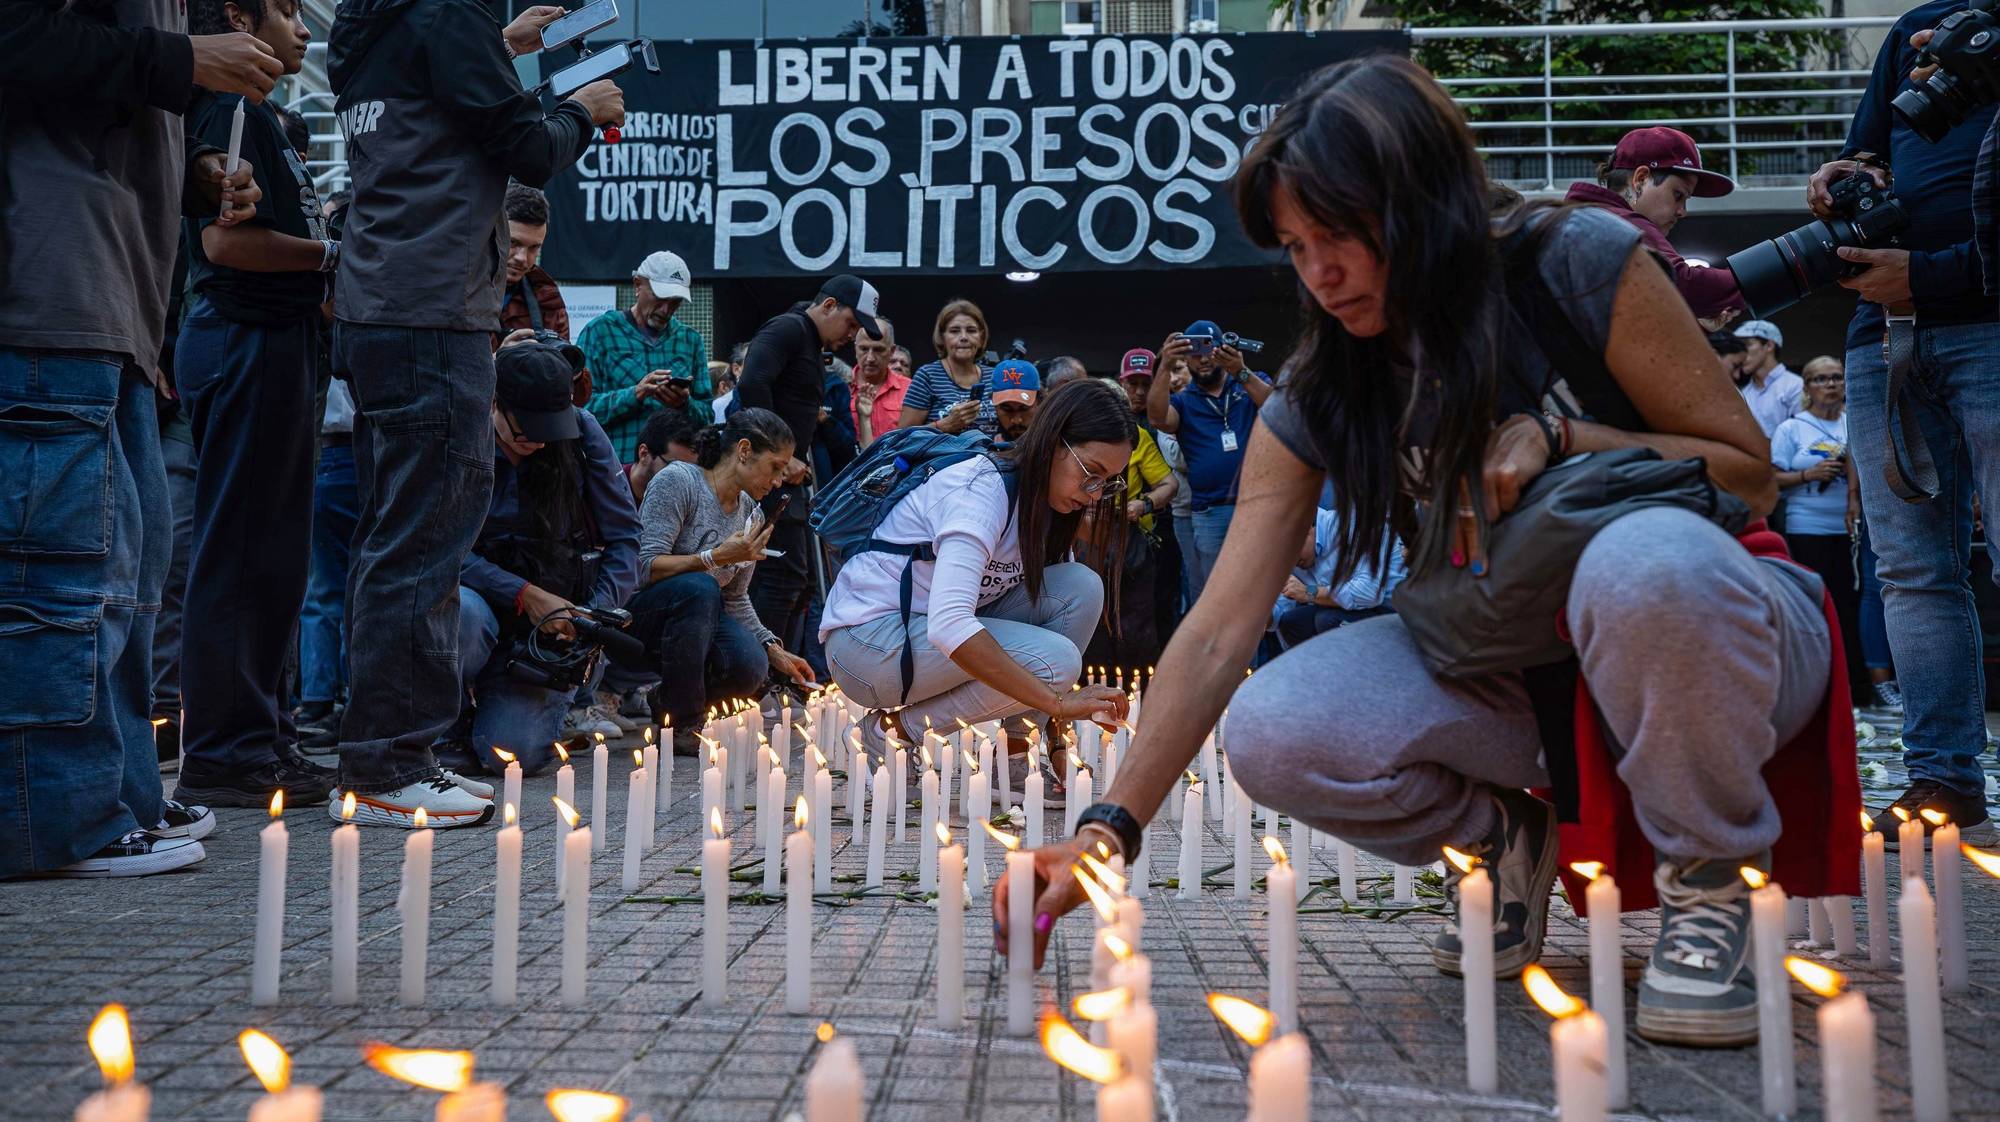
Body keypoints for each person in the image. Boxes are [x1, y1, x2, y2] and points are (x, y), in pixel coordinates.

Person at [1000, 55, 1854, 1050]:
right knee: (1275, 727)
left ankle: (1710, 880)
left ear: (1422, 204)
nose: (1317, 275)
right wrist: (1109, 829)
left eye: (1340, 236)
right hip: (1511, 657)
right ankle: (1504, 846)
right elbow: (1217, 630)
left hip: (1711, 629)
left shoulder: (1573, 262)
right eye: (1294, 246)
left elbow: (1743, 472)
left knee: (1641, 565)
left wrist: (1562, 436)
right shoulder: (1329, 384)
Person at [0, 0, 282, 877]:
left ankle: (120, 791)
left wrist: (199, 171)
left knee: (129, 577)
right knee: (62, 577)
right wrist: (181, 58)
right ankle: (56, 818)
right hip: (49, 287)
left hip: (118, 308)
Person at [326, 0, 623, 826]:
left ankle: (381, 754)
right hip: (432, 306)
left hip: (383, 300)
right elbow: (524, 146)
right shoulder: (445, 11)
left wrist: (501, 47)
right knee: (425, 536)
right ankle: (389, 764)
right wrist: (582, 109)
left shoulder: (377, 24)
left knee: (394, 533)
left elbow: (428, 107)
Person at [1828, 2, 2000, 844]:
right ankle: (1942, 780)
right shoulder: (1922, 27)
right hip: (1883, 333)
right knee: (1911, 571)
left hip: (1985, 322)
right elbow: (1871, 147)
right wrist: (1842, 179)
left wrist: (1925, 276)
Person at [171, 0, 341, 809]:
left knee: (274, 556)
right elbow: (225, 241)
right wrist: (338, 257)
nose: (302, 28)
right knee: (242, 550)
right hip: (245, 335)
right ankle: (225, 750)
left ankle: (261, 735)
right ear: (237, 15)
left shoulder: (263, 114)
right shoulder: (229, 105)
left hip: (276, 340)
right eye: (282, 10)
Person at [821, 378, 1134, 759]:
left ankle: (1018, 749)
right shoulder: (981, 490)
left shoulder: (1048, 506)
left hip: (919, 639)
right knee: (1057, 662)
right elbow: (950, 624)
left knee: (1081, 587)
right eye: (1091, 472)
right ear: (1054, 443)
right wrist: (1058, 703)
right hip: (866, 646)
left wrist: (1054, 734)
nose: (1096, 494)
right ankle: (895, 732)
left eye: (1107, 483)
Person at [429, 342, 641, 788]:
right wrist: (524, 594)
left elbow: (625, 539)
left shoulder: (582, 434)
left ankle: (520, 707)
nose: (538, 440)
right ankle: (448, 718)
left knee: (513, 756)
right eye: (524, 429)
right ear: (493, 403)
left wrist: (589, 615)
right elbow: (442, 548)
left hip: (549, 629)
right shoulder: (459, 433)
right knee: (461, 614)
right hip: (479, 603)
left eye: (549, 428)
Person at [631, 409, 815, 754]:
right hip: (644, 618)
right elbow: (641, 568)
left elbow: (735, 598)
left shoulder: (752, 513)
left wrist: (772, 648)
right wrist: (713, 558)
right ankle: (685, 723)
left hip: (701, 619)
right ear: (744, 450)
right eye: (775, 467)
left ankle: (669, 697)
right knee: (699, 587)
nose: (778, 481)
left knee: (752, 664)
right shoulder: (680, 481)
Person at [738, 274, 884, 678]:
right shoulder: (788, 327)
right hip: (767, 476)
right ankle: (759, 679)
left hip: (787, 477)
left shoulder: (808, 342)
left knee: (796, 579)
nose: (851, 336)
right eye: (852, 324)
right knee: (779, 577)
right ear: (830, 305)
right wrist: (778, 458)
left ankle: (774, 676)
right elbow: (751, 384)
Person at [1564, 126, 1745, 326]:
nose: (1682, 211)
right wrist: (1781, 267)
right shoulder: (1617, 221)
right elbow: (1684, 284)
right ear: (1641, 179)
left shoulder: (1584, 217)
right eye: (1678, 195)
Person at [1145, 319, 1273, 600]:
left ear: (1222, 349)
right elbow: (1157, 418)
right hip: (1209, 511)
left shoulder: (1248, 383)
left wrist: (1240, 371)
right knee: (1216, 594)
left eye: (1209, 350)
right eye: (1194, 353)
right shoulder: (1184, 400)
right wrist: (1165, 366)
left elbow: (1278, 409)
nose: (1203, 359)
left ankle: (1257, 645)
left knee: (1258, 590)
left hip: (1254, 504)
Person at [1771, 356, 1866, 698]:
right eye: (1820, 379)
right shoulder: (1792, 428)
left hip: (1850, 528)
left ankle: (1853, 683)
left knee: (1849, 606)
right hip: (1806, 526)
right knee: (1813, 604)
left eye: (1837, 378)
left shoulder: (1853, 423)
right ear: (1807, 388)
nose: (1830, 385)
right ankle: (1812, 682)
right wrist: (1807, 475)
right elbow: (1769, 478)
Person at [577, 250, 711, 463]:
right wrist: (635, 394)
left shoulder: (690, 340)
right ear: (638, 285)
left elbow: (707, 417)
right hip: (615, 470)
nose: (666, 309)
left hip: (675, 472)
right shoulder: (600, 332)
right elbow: (579, 408)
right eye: (660, 298)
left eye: (675, 301)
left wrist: (684, 404)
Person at [297, 376, 360, 750]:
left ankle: (317, 699)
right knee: (348, 583)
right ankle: (333, 697)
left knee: (323, 587)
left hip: (326, 444)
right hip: (338, 445)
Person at [1118, 347, 1188, 642]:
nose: (1139, 391)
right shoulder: (1113, 424)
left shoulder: (1170, 418)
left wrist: (1147, 504)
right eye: (1132, 384)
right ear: (1121, 384)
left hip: (1169, 522)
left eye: (1146, 384)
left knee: (1163, 602)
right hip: (1121, 534)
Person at [1273, 507, 1406, 650]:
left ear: (1306, 530)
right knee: (1291, 623)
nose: (1290, 562)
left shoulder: (1349, 525)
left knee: (1327, 620)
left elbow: (1369, 593)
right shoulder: (1290, 554)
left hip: (1397, 609)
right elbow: (1281, 609)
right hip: (1358, 609)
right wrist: (1263, 620)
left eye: (1290, 552)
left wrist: (1308, 593)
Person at [899, 298, 994, 435]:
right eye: (954, 331)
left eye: (971, 330)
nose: (963, 337)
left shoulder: (994, 376)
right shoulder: (928, 376)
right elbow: (902, 436)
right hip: (943, 456)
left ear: (981, 337)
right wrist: (945, 424)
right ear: (942, 338)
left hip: (991, 456)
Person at [497, 182, 568, 342]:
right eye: (513, 243)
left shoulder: (546, 295)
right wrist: (498, 360)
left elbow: (564, 361)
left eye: (534, 248)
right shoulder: (455, 288)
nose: (522, 258)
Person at [1732, 320, 1800, 437]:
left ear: (1769, 346)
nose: (1740, 353)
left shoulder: (1795, 386)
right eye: (1738, 347)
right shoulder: (1744, 394)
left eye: (1747, 344)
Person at [851, 315, 909, 448]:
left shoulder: (910, 389)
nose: (870, 358)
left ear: (892, 351)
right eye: (864, 349)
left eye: (878, 349)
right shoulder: (840, 388)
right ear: (855, 348)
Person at [629, 410, 701, 505]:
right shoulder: (607, 490)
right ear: (644, 454)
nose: (685, 480)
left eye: (692, 471)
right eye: (674, 467)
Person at [990, 359, 1041, 443]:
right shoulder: (983, 449)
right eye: (1007, 409)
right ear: (995, 407)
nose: (1017, 420)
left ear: (1039, 402)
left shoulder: (1058, 446)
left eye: (1024, 408)